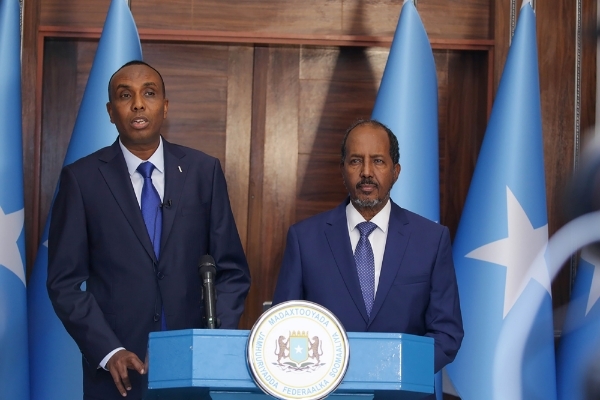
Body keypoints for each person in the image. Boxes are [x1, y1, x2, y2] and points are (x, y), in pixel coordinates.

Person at [47, 60, 251, 400]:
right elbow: (63, 282)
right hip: (116, 376)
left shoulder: (203, 172)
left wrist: (207, 343)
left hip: (191, 370)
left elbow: (232, 271)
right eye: (125, 95)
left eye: (149, 93)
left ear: (165, 107)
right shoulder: (81, 180)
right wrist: (108, 350)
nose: (138, 103)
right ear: (111, 112)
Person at [272, 119, 463, 376]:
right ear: (342, 169)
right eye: (355, 161)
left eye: (378, 161)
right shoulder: (304, 239)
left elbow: (446, 333)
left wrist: (392, 372)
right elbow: (283, 327)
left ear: (396, 171)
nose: (366, 172)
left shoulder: (431, 239)